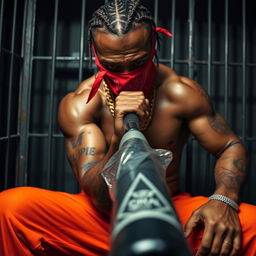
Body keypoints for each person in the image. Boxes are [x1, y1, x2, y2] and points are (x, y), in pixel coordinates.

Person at [0, 0, 255, 255]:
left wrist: (224, 198)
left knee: (252, 224)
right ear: (95, 52)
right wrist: (117, 138)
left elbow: (229, 145)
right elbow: (99, 197)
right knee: (11, 207)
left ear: (153, 44)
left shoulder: (181, 93)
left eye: (136, 63)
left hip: (169, 212)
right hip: (100, 219)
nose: (126, 74)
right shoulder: (81, 104)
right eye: (112, 66)